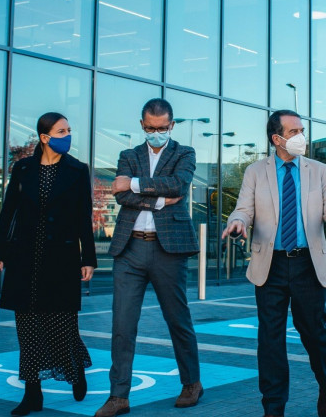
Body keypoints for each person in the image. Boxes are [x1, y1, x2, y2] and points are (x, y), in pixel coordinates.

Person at [221, 110, 326, 417]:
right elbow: (243, 209)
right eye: (294, 131)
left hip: (307, 264)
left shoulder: (318, 171)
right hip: (271, 265)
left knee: (315, 333)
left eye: (302, 130)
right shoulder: (256, 171)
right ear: (277, 139)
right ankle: (273, 407)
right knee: (270, 339)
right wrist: (239, 222)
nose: (301, 137)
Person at [95, 98, 202, 417]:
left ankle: (192, 383)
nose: (157, 133)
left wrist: (137, 185)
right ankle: (118, 396)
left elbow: (178, 184)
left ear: (172, 125)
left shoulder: (184, 153)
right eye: (151, 128)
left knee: (177, 319)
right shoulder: (128, 155)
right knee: (122, 323)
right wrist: (159, 201)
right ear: (142, 125)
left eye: (163, 128)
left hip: (168, 249)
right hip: (129, 249)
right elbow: (120, 193)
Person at [0, 112, 97, 416]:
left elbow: (82, 218)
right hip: (25, 259)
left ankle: (75, 369)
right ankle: (32, 394)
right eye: (62, 131)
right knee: (28, 329)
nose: (68, 135)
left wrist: (87, 257)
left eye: (69, 129)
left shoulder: (77, 170)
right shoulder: (23, 169)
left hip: (61, 259)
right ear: (45, 137)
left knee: (62, 324)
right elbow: (8, 211)